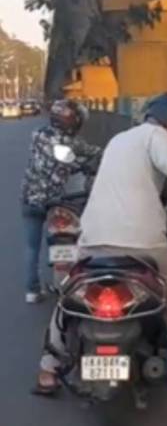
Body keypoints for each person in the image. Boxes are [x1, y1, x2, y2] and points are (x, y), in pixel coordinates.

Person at [32, 92, 167, 395]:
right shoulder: (156, 135)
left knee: (69, 290)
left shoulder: (119, 140)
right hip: (142, 241)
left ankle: (47, 369)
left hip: (95, 238)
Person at [20, 100, 101, 304]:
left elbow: (53, 160)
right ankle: (68, 281)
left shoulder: (37, 133)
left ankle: (32, 291)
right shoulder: (71, 143)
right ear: (72, 121)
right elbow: (91, 154)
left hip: (29, 196)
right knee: (65, 239)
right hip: (56, 200)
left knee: (32, 247)